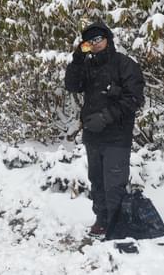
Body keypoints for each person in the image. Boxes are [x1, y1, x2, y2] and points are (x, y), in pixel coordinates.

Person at [64, 22, 145, 237]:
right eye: (90, 41)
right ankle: (102, 219)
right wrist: (78, 58)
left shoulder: (124, 64)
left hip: (117, 135)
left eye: (98, 39)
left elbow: (134, 99)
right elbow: (72, 85)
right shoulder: (88, 66)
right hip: (92, 135)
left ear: (108, 39)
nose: (95, 44)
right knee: (97, 180)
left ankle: (118, 224)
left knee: (114, 183)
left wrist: (106, 117)